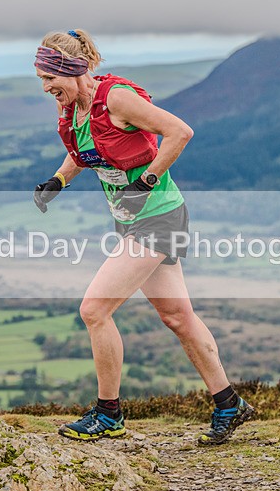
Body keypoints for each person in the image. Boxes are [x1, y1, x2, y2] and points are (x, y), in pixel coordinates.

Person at [32, 29, 254, 445]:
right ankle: (229, 403)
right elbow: (86, 152)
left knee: (94, 310)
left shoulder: (116, 99)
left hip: (157, 218)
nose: (46, 88)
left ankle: (108, 413)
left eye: (50, 78)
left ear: (73, 69)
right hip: (132, 220)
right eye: (41, 80)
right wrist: (57, 181)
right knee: (177, 317)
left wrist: (146, 181)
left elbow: (180, 132)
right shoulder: (74, 110)